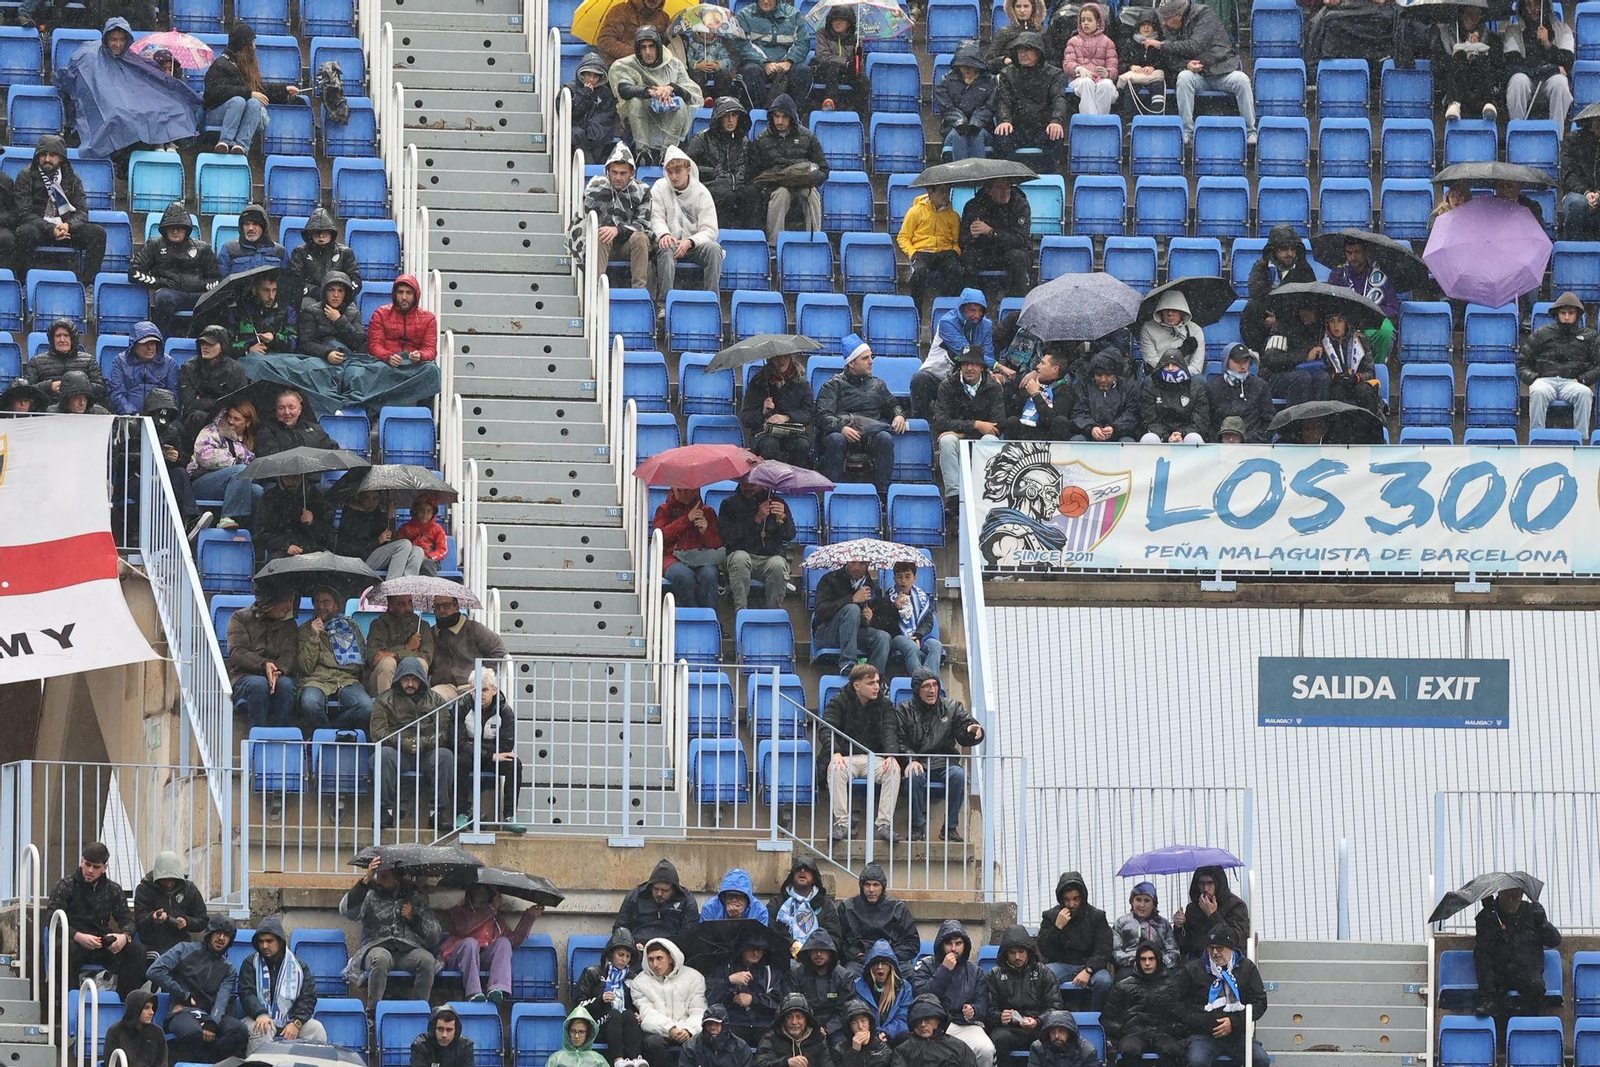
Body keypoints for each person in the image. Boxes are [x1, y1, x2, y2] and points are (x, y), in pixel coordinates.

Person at [340, 853, 443, 1008]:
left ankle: (418, 1009)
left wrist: (413, 919)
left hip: (406, 953)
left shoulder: (414, 899)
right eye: (378, 876)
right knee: (381, 958)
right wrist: (365, 880)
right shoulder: (370, 895)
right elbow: (347, 911)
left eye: (385, 877)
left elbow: (434, 935)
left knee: (427, 960)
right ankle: (373, 1012)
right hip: (375, 949)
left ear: (397, 880)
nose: (379, 881)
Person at [1146, 0, 1255, 145]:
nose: (1164, 23)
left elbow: (1195, 45)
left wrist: (1163, 45)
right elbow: (1169, 57)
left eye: (1167, 19)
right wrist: (1185, 64)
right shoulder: (1170, 27)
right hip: (1198, 76)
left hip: (1221, 71)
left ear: (1178, 16)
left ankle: (1250, 131)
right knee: (1184, 77)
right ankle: (1186, 131)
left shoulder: (1204, 14)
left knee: (1242, 80)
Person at [893, 669, 982, 841]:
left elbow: (965, 727)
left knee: (959, 775)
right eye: (926, 686)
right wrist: (911, 759)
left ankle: (950, 828)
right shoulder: (903, 710)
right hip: (917, 760)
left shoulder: (952, 707)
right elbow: (899, 741)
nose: (932, 690)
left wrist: (972, 730)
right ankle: (917, 826)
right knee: (914, 775)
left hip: (945, 760)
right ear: (917, 689)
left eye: (934, 685)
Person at [48, 842, 148, 993]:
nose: (90, 870)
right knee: (65, 950)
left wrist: (124, 937)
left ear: (104, 868)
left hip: (102, 944)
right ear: (82, 861)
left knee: (137, 951)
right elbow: (51, 918)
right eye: (87, 864)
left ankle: (126, 1003)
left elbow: (127, 919)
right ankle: (69, 1003)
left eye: (96, 867)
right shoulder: (66, 886)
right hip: (74, 943)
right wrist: (77, 936)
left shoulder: (113, 890)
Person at [820, 667, 902, 844]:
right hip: (845, 757)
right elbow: (827, 728)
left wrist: (891, 755)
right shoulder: (839, 701)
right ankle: (841, 824)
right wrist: (835, 752)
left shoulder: (885, 705)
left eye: (878, 682)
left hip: (876, 758)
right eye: (871, 683)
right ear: (857, 685)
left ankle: (884, 825)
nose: (876, 687)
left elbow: (890, 730)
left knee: (894, 769)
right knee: (835, 769)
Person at [372, 656, 455, 828]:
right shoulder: (384, 700)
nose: (410, 683)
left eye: (415, 679)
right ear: (398, 679)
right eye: (406, 679)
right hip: (397, 752)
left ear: (422, 680)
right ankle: (385, 813)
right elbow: (377, 732)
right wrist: (403, 743)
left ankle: (437, 814)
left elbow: (444, 733)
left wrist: (424, 743)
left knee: (445, 756)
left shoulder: (436, 700)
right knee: (383, 755)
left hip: (427, 752)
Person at [150, 917, 248, 1062]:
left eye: (226, 935)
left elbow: (222, 1000)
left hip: (209, 1014)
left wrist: (213, 1022)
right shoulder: (184, 949)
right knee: (193, 1032)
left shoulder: (229, 970)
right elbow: (154, 971)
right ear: (209, 933)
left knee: (240, 1030)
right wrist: (183, 994)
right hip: (182, 1012)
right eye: (218, 932)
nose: (221, 938)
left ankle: (212, 1063)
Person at [817, 337, 907, 495]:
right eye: (865, 358)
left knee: (885, 438)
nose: (871, 361)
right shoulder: (832, 385)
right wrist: (842, 428)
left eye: (871, 357)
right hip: (843, 435)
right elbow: (823, 415)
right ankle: (831, 492)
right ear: (851, 363)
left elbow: (894, 405)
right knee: (835, 439)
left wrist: (899, 415)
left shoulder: (877, 385)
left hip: (870, 436)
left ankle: (883, 495)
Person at [13, 134, 106, 286]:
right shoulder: (25, 176)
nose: (47, 159)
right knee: (24, 232)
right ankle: (24, 281)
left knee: (97, 233)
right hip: (39, 228)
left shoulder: (72, 178)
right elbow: (24, 212)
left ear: (61, 158)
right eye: (43, 154)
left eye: (52, 155)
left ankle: (87, 283)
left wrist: (69, 225)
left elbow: (82, 211)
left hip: (66, 230)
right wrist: (51, 229)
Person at [203, 22, 300, 154]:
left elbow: (257, 90)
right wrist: (248, 93)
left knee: (254, 103)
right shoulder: (220, 65)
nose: (254, 47)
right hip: (215, 113)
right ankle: (224, 142)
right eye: (251, 43)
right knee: (239, 101)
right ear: (243, 46)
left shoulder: (242, 65)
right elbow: (216, 92)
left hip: (237, 113)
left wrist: (284, 90)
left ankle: (241, 146)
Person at [609, 28, 703, 164]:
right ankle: (642, 152)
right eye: (643, 47)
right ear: (638, 49)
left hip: (669, 116)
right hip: (641, 119)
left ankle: (668, 152)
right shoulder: (627, 65)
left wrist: (672, 88)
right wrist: (648, 91)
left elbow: (693, 94)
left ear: (658, 47)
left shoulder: (674, 64)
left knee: (681, 103)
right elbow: (624, 89)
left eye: (651, 46)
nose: (648, 52)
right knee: (635, 101)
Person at [568, 143, 653, 291]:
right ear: (608, 171)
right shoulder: (595, 188)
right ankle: (593, 290)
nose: (618, 177)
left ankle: (638, 292)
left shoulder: (643, 190)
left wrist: (618, 230)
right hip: (600, 244)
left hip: (628, 244)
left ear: (632, 173)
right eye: (614, 172)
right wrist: (608, 231)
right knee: (602, 235)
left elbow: (643, 224)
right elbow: (583, 221)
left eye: (623, 173)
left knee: (641, 237)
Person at [439, 882, 540, 1004]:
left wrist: (529, 917)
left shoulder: (495, 919)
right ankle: (473, 993)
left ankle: (497, 989)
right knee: (471, 943)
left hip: (482, 959)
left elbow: (514, 941)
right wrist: (491, 909)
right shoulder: (458, 911)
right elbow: (464, 929)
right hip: (459, 959)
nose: (483, 894)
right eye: (479, 890)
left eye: (486, 890)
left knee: (504, 942)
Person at [238, 916, 328, 1053]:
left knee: (316, 1029)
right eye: (261, 941)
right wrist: (260, 1013)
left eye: (269, 941)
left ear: (280, 941)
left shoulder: (299, 966)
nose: (264, 946)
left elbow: (308, 997)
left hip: (290, 1019)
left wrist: (297, 1023)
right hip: (258, 1017)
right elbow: (246, 994)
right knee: (263, 1028)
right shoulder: (250, 963)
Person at [1178, 929, 1267, 1067]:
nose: (1214, 953)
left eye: (1220, 948)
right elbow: (1178, 1004)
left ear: (1231, 948)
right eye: (1211, 948)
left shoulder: (1246, 968)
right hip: (1203, 1035)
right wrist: (1206, 1021)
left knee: (1261, 1060)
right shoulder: (1193, 969)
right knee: (1197, 1061)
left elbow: (1260, 1002)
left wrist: (1234, 1023)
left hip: (1238, 1036)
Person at [748, 94, 829, 245]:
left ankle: (814, 240)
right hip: (776, 187)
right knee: (781, 195)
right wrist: (775, 181)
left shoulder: (808, 136)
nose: (779, 121)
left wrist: (810, 178)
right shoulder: (761, 140)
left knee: (812, 195)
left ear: (792, 117)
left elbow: (824, 169)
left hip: (804, 184)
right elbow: (754, 173)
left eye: (784, 117)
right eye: (776, 116)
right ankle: (774, 244)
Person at [131, 202, 222, 336]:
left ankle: (204, 340)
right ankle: (163, 340)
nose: (175, 231)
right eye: (171, 227)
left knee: (217, 300)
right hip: (170, 294)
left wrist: (200, 286)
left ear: (187, 229)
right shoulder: (154, 245)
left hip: (198, 295)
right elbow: (134, 272)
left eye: (179, 227)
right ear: (164, 229)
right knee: (164, 297)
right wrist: (161, 283)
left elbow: (217, 279)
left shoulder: (202, 248)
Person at [1472, 885, 1561, 1018]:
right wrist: (1488, 916)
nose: (1511, 901)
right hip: (1500, 971)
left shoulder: (1532, 912)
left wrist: (1543, 922)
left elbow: (1554, 941)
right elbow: (1483, 946)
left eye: (1515, 897)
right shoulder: (1490, 913)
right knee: (1482, 956)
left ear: (1522, 896)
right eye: (1507, 897)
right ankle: (1489, 1001)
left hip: (1526, 970)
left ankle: (1526, 1027)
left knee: (1534, 988)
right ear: (1499, 895)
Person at [911, 923, 993, 1067]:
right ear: (941, 945)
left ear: (965, 945)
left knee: (985, 1049)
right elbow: (921, 996)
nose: (953, 949)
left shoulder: (975, 971)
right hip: (935, 1024)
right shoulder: (926, 965)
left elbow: (983, 1005)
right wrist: (944, 970)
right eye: (949, 944)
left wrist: (974, 1010)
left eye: (958, 943)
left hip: (965, 1024)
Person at [933, 347, 1005, 509]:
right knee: (947, 440)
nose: (969, 368)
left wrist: (961, 430)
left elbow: (997, 424)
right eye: (965, 364)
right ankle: (954, 497)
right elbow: (941, 421)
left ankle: (984, 492)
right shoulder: (947, 385)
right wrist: (976, 425)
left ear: (982, 367)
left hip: (980, 438)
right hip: (959, 437)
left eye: (974, 364)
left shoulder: (993, 387)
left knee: (990, 439)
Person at [296, 585, 374, 733]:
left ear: (337, 606)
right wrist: (314, 637)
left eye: (326, 602)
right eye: (317, 602)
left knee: (366, 707)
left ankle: (327, 734)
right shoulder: (305, 629)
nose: (321, 606)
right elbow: (305, 667)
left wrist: (323, 658)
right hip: (316, 680)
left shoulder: (350, 627)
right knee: (309, 703)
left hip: (347, 680)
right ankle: (330, 736)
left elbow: (357, 664)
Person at [1520, 289, 1600, 432]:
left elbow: (1598, 365)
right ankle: (1537, 437)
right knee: (1537, 391)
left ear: (1578, 314)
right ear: (1557, 314)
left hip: (1572, 382)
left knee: (1585, 393)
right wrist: (1534, 378)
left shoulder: (1590, 336)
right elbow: (1521, 362)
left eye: (1571, 313)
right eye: (1563, 313)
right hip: (1545, 381)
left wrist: (1582, 380)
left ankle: (1580, 439)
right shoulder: (1542, 333)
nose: (1567, 317)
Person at [650, 147, 724, 300]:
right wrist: (664, 234)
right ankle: (664, 303)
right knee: (664, 247)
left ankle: (711, 299)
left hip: (695, 244)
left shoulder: (702, 192)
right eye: (670, 172)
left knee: (714, 249)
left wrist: (690, 241)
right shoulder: (659, 187)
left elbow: (710, 230)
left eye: (678, 171)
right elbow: (656, 217)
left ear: (688, 170)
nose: (674, 176)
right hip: (671, 241)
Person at [1037, 871, 1115, 1010]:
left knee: (1104, 981)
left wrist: (1089, 969)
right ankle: (1051, 1017)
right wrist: (1057, 927)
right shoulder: (1050, 916)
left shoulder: (1096, 916)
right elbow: (1045, 950)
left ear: (1083, 898)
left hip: (1090, 966)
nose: (1071, 904)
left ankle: (1095, 1019)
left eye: (1076, 899)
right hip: (1062, 964)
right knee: (1044, 976)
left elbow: (1104, 949)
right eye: (1067, 899)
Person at [983, 925, 1061, 1062]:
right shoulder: (994, 975)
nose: (1017, 957)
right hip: (1008, 1029)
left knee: (1052, 1038)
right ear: (1006, 953)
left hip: (1038, 1028)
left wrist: (1038, 1021)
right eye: (1012, 952)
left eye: (1021, 951)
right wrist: (1000, 1017)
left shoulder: (1043, 972)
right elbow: (987, 1010)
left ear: (1028, 951)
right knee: (999, 1038)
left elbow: (1055, 1006)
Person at [916, 287, 996, 419]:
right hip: (938, 375)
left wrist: (994, 371)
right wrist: (999, 366)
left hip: (968, 377)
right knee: (919, 380)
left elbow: (988, 352)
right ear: (963, 308)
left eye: (980, 311)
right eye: (972, 310)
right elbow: (966, 352)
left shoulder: (986, 325)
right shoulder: (947, 322)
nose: (977, 315)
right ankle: (922, 424)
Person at [1103, 940, 1187, 1067]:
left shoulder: (1172, 986)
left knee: (1174, 1051)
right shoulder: (1123, 985)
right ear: (1137, 961)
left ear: (1158, 960)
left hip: (1163, 1033)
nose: (1147, 963)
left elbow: (1183, 1016)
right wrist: (1123, 1029)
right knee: (1129, 1050)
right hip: (1133, 1033)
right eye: (1143, 959)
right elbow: (1107, 1018)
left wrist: (1173, 1029)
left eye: (1151, 959)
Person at [991, 35, 1068, 171]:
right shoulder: (1007, 73)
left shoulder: (1054, 74)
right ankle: (1009, 177)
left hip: (1042, 127)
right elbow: (1004, 100)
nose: (1022, 54)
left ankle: (1048, 177)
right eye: (1020, 51)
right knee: (1001, 135)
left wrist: (1056, 120)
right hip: (1017, 127)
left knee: (1056, 135)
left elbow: (1058, 98)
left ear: (1038, 52)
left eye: (1027, 50)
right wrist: (1004, 120)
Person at [226, 590, 300, 729]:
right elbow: (237, 652)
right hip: (244, 675)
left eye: (292, 601)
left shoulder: (289, 624)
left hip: (278, 674)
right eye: (288, 601)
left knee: (286, 686)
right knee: (258, 685)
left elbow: (289, 654)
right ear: (273, 600)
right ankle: (257, 735)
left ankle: (280, 735)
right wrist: (264, 664)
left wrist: (277, 670)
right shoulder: (240, 617)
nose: (290, 607)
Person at [688, 97, 763, 231]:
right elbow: (688, 168)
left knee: (752, 193)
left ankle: (750, 237)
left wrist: (741, 177)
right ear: (718, 117)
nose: (730, 120)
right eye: (726, 116)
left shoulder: (743, 141)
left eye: (734, 115)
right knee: (725, 195)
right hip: (710, 185)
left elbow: (750, 167)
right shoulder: (702, 138)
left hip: (737, 185)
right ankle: (720, 235)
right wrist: (713, 172)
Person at [631, 938, 708, 1067]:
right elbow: (647, 1014)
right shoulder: (640, 982)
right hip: (660, 1031)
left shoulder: (694, 977)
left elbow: (699, 1010)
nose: (655, 964)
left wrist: (688, 1030)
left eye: (659, 958)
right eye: (650, 959)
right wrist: (669, 1028)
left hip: (688, 1029)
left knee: (699, 1043)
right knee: (652, 1042)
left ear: (671, 958)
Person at [719, 482, 794, 611]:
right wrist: (756, 519)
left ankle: (773, 614)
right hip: (741, 555)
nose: (748, 487)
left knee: (778, 565)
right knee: (740, 558)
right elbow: (727, 537)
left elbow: (790, 535)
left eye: (753, 484)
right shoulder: (729, 504)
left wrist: (782, 519)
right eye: (745, 483)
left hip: (770, 558)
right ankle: (741, 611)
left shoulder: (778, 503)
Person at [576, 928, 649, 1060]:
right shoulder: (592, 972)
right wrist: (600, 1000)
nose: (624, 960)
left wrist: (639, 1014)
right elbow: (579, 1006)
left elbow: (637, 1003)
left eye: (628, 956)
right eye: (620, 955)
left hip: (626, 1026)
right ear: (611, 954)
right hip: (598, 1024)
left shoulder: (633, 977)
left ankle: (635, 1059)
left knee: (628, 1014)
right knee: (614, 1014)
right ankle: (618, 1059)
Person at [1504, 0, 1574, 136]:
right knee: (1517, 81)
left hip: (1550, 80)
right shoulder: (1513, 31)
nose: (1533, 9)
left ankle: (1556, 136)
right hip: (1526, 78)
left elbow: (1567, 63)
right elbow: (1513, 65)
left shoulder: (1563, 30)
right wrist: (1550, 69)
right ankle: (1517, 133)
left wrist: (1547, 44)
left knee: (1560, 83)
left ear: (1545, 7)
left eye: (1537, 4)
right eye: (1528, 5)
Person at [1325, 236, 1398, 365]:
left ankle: (1375, 368)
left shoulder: (1380, 275)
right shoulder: (1338, 273)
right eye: (1349, 252)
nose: (1353, 256)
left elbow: (1393, 308)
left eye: (1357, 252)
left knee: (1386, 331)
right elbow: (1330, 304)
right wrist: (1352, 325)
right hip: (1346, 322)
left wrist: (1370, 313)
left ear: (1366, 252)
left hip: (1372, 322)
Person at [1241, 225, 1314, 354]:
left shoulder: (1304, 271)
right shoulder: (1262, 266)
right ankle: (1258, 353)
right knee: (1252, 307)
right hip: (1265, 324)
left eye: (1293, 249)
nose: (1290, 254)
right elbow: (1256, 292)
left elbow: (1306, 303)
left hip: (1294, 329)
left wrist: (1279, 321)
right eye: (1284, 249)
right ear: (1274, 250)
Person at [710, 934, 791, 1047]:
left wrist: (753, 999)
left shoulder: (772, 972)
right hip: (733, 1025)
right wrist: (729, 981)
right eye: (752, 949)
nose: (756, 953)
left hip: (764, 1026)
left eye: (760, 950)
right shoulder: (725, 968)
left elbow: (780, 1001)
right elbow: (711, 998)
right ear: (742, 948)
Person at [813, 563, 893, 676]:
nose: (856, 567)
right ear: (846, 562)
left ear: (867, 564)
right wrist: (852, 599)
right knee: (852, 608)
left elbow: (882, 622)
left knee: (883, 637)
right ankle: (848, 664)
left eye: (861, 563)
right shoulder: (830, 579)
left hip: (856, 635)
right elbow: (820, 612)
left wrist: (871, 619)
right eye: (853, 563)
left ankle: (874, 679)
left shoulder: (874, 588)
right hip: (828, 633)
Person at [838, 863, 920, 972]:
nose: (871, 890)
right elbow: (839, 940)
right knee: (847, 975)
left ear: (883, 887)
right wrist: (855, 953)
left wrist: (888, 956)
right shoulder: (847, 907)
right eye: (867, 885)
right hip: (859, 961)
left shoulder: (898, 908)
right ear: (861, 887)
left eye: (876, 885)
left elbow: (912, 943)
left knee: (910, 975)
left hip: (893, 959)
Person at [653, 486, 724, 609]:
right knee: (683, 576)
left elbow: (717, 544)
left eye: (686, 490)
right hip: (672, 557)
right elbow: (661, 537)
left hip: (701, 557)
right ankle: (693, 613)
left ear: (695, 490)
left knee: (710, 575)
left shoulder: (707, 512)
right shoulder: (664, 510)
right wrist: (686, 520)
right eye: (678, 490)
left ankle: (709, 615)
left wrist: (705, 531)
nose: (682, 494)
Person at [741, 351, 816, 467]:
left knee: (802, 445)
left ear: (790, 357)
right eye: (776, 357)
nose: (780, 361)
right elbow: (746, 418)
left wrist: (787, 417)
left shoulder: (801, 384)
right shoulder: (758, 382)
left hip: (794, 432)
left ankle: (797, 483)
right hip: (764, 433)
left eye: (784, 356)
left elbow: (808, 414)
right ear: (770, 359)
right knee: (770, 445)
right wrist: (763, 411)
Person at [960, 179, 1032, 299]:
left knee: (1017, 257)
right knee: (967, 256)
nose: (1006, 192)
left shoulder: (1019, 204)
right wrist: (972, 236)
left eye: (1008, 187)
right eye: (1000, 188)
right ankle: (971, 302)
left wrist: (991, 232)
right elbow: (962, 241)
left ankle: (1016, 304)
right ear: (988, 190)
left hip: (1012, 251)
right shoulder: (973, 206)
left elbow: (1020, 240)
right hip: (985, 251)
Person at [898, 183, 965, 311]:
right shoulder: (916, 212)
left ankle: (948, 309)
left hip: (945, 253)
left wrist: (955, 251)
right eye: (941, 191)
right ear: (931, 192)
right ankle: (916, 311)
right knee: (919, 274)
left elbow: (956, 241)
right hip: (922, 252)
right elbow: (903, 237)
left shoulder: (953, 216)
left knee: (956, 271)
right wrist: (913, 253)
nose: (945, 195)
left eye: (947, 191)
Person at [178, 325, 249, 444]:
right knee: (198, 417)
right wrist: (221, 402)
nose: (205, 347)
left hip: (228, 417)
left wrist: (203, 401)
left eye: (211, 344)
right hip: (195, 420)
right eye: (202, 343)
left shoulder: (236, 370)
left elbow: (239, 402)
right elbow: (189, 404)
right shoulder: (188, 367)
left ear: (222, 346)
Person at [735, 0, 814, 108]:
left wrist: (789, 61)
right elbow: (742, 45)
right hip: (757, 64)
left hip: (786, 65)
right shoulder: (744, 15)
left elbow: (802, 42)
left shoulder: (793, 14)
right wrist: (764, 63)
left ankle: (792, 115)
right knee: (751, 72)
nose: (766, 1)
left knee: (804, 72)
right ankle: (758, 116)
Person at [133, 851, 209, 962]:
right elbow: (139, 922)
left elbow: (202, 920)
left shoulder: (189, 889)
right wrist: (152, 917)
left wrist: (187, 922)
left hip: (183, 945)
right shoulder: (144, 889)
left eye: (172, 880)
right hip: (154, 946)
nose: (168, 884)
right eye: (164, 880)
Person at [1433, 4, 1503, 121]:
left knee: (1481, 58)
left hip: (1481, 91)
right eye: (1468, 14)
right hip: (1454, 89)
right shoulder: (1443, 37)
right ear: (1460, 15)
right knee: (1459, 56)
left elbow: (1498, 69)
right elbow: (1437, 69)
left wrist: (1479, 52)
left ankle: (1488, 103)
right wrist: (1453, 57)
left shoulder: (1492, 39)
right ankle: (1454, 103)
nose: (1472, 18)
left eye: (1477, 14)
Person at [616, 859, 702, 952]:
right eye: (656, 889)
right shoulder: (635, 896)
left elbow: (689, 935)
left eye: (664, 890)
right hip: (637, 950)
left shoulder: (686, 900)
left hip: (672, 951)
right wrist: (632, 945)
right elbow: (620, 929)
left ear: (673, 888)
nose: (659, 894)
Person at [877, 563, 943, 677]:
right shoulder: (888, 598)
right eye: (899, 576)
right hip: (897, 638)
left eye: (907, 576)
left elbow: (928, 621)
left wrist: (918, 635)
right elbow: (884, 625)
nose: (903, 581)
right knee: (910, 646)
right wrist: (895, 608)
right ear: (894, 579)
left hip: (918, 637)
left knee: (935, 645)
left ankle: (931, 680)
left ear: (914, 578)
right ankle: (919, 681)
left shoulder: (922, 598)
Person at [340, 490, 427, 577]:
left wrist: (390, 516)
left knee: (417, 551)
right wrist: (377, 540)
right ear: (360, 498)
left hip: (380, 558)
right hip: (360, 560)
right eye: (367, 498)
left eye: (375, 498)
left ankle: (408, 585)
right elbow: (350, 547)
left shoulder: (378, 515)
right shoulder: (351, 516)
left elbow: (391, 540)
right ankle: (392, 586)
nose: (372, 502)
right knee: (404, 544)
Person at [286, 208, 363, 306]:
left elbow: (356, 280)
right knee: (306, 304)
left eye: (325, 232)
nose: (321, 236)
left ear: (332, 234)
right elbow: (294, 282)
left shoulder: (345, 253)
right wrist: (318, 292)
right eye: (317, 232)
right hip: (311, 299)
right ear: (310, 234)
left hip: (339, 298)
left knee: (351, 309)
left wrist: (338, 294)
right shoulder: (299, 252)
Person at [1319, 311, 1383, 428]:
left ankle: (1368, 430)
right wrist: (1334, 376)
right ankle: (1338, 432)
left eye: (1339, 321)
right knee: (1336, 393)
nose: (1336, 325)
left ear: (1346, 323)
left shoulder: (1360, 341)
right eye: (1332, 321)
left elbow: (1370, 372)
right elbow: (1322, 371)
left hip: (1359, 382)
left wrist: (1356, 377)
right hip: (1337, 384)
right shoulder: (1323, 343)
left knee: (1364, 392)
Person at [770, 858, 845, 956]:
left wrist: (815, 951)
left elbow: (834, 938)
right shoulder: (776, 903)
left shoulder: (826, 906)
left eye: (807, 869)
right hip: (783, 958)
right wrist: (791, 945)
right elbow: (770, 933)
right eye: (798, 869)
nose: (802, 871)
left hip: (818, 960)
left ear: (814, 878)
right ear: (792, 876)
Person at [1261, 304, 1331, 407]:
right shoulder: (1281, 327)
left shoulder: (1320, 331)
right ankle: (1295, 420)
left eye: (1310, 311)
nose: (1306, 314)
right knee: (1302, 377)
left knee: (1322, 377)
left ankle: (1316, 419)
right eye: (1303, 310)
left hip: (1305, 374)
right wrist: (1305, 356)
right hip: (1273, 377)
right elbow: (1271, 360)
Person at [790, 929, 854, 1043]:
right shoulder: (796, 973)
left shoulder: (844, 977)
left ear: (830, 952)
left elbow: (845, 1009)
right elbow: (791, 1005)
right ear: (808, 952)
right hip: (802, 1025)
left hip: (835, 1029)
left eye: (823, 950)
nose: (818, 954)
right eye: (814, 950)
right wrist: (808, 1026)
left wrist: (828, 1028)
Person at [936, 43, 996, 163]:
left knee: (977, 135)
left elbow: (989, 107)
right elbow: (947, 108)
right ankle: (961, 173)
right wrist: (960, 123)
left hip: (983, 127)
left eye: (970, 65)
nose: (966, 68)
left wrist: (976, 123)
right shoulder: (946, 81)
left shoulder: (990, 81)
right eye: (963, 65)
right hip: (953, 127)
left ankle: (979, 173)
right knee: (959, 135)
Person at [24, 318, 103, 408]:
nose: (62, 340)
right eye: (58, 336)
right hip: (47, 414)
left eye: (66, 335)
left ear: (73, 338)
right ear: (52, 339)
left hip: (81, 413)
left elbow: (100, 391)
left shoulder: (89, 361)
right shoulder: (36, 362)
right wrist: (49, 386)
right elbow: (26, 392)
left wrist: (78, 387)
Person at [1174, 867, 1250, 959]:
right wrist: (1179, 927)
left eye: (1210, 883)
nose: (1206, 889)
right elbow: (1184, 947)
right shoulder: (1193, 908)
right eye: (1201, 883)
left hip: (1229, 960)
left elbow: (1235, 939)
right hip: (1198, 963)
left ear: (1218, 883)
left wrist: (1213, 915)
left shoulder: (1236, 905)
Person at [366, 594, 434, 695]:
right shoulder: (379, 625)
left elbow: (426, 658)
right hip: (379, 680)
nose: (407, 608)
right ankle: (386, 707)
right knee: (388, 663)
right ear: (390, 605)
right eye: (401, 604)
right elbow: (375, 658)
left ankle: (416, 707)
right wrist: (406, 648)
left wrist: (395, 654)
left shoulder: (422, 626)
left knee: (420, 662)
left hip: (410, 677)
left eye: (409, 602)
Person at [255, 472, 336, 559]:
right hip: (282, 551)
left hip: (313, 550)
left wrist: (313, 522)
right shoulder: (269, 499)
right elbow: (262, 533)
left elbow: (328, 534)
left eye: (295, 477)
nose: (291, 481)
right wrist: (286, 546)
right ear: (280, 477)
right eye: (287, 477)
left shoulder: (315, 498)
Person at [1205, 344, 1273, 444]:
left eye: (1246, 362)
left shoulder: (1261, 386)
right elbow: (1206, 422)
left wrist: (1248, 440)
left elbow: (1269, 422)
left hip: (1253, 446)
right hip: (1219, 447)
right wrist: (1221, 439)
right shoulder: (1212, 387)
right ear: (1226, 362)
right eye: (1237, 361)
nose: (1243, 366)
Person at [108, 320, 178, 416]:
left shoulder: (170, 363)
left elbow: (173, 395)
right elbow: (116, 393)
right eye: (145, 343)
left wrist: (159, 415)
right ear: (134, 345)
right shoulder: (120, 361)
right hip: (128, 417)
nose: (150, 348)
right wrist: (132, 414)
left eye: (153, 343)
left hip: (159, 417)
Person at [299, 270, 368, 366]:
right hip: (319, 360)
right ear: (325, 292)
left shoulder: (354, 313)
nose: (336, 295)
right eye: (331, 290)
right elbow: (305, 343)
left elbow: (358, 342)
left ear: (345, 294)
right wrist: (327, 353)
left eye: (340, 291)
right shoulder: (311, 311)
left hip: (348, 360)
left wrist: (339, 320)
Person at [1139, 353, 1211, 445]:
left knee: (1194, 438)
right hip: (1160, 436)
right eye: (1166, 365)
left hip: (1186, 435)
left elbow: (1200, 419)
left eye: (1174, 365)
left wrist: (1182, 434)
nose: (1170, 368)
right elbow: (1149, 419)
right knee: (1149, 438)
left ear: (1182, 366)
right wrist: (1166, 436)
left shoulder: (1196, 388)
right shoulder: (1150, 387)